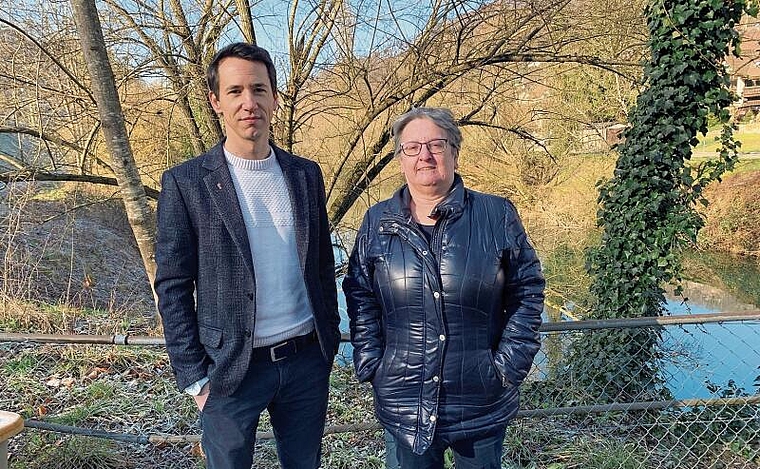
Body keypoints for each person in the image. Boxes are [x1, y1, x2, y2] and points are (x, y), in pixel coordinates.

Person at [154, 42, 340, 469]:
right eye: (235, 91)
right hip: (229, 370)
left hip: (306, 361)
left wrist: (326, 346)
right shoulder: (187, 183)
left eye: (259, 89)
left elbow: (322, 266)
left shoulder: (305, 174)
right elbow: (173, 284)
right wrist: (194, 377)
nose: (249, 102)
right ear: (215, 101)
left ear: (275, 96)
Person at [343, 107, 545, 469]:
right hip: (403, 400)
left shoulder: (495, 214)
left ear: (454, 150)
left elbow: (526, 291)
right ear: (400, 157)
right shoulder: (378, 221)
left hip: (481, 398)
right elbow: (360, 293)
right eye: (412, 147)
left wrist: (506, 368)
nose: (425, 155)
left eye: (436, 144)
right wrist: (372, 363)